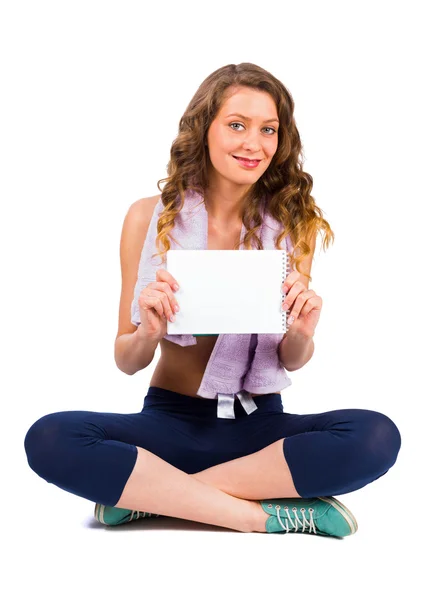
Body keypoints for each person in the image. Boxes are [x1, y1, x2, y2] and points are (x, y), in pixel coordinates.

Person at [24, 63, 401, 537]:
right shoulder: (149, 217)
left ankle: (154, 498)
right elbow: (126, 359)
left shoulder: (290, 226)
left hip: (260, 430)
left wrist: (302, 333)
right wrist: (150, 330)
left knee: (376, 436)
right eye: (237, 125)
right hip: (170, 423)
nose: (254, 143)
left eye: (268, 130)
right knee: (51, 437)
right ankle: (258, 516)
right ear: (205, 129)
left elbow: (293, 359)